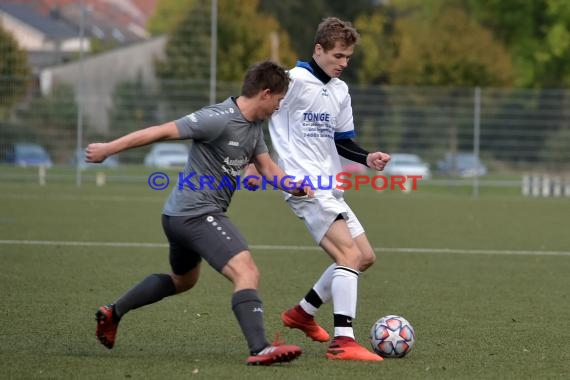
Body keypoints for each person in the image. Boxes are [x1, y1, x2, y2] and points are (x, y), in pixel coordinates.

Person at [86, 60, 313, 365]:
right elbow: (159, 132)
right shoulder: (216, 119)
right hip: (195, 213)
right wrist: (107, 149)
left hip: (179, 215)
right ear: (265, 93)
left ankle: (113, 313)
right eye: (279, 100)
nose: (279, 106)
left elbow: (268, 168)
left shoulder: (255, 126)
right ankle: (260, 348)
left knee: (183, 281)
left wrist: (293, 185)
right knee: (247, 271)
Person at [244, 18, 391, 361]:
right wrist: (252, 164)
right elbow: (254, 112)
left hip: (331, 187)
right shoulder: (292, 81)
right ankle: (343, 341)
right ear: (318, 49)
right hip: (303, 186)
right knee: (348, 257)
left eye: (348, 57)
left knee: (364, 257)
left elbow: (343, 141)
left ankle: (303, 313)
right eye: (338, 55)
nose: (343, 63)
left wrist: (368, 156)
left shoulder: (340, 91)